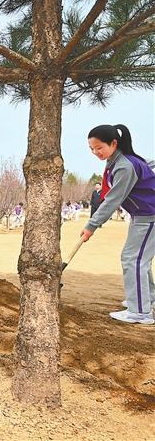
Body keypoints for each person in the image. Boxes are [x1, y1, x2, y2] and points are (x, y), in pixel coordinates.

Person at [82, 124, 155, 325]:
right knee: (137, 257)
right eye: (92, 149)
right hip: (141, 216)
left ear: (114, 143)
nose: (96, 152)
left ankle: (140, 311)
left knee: (134, 259)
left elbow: (112, 200)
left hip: (149, 216)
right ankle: (146, 299)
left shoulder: (124, 165)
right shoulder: (117, 160)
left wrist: (91, 225)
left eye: (99, 148)